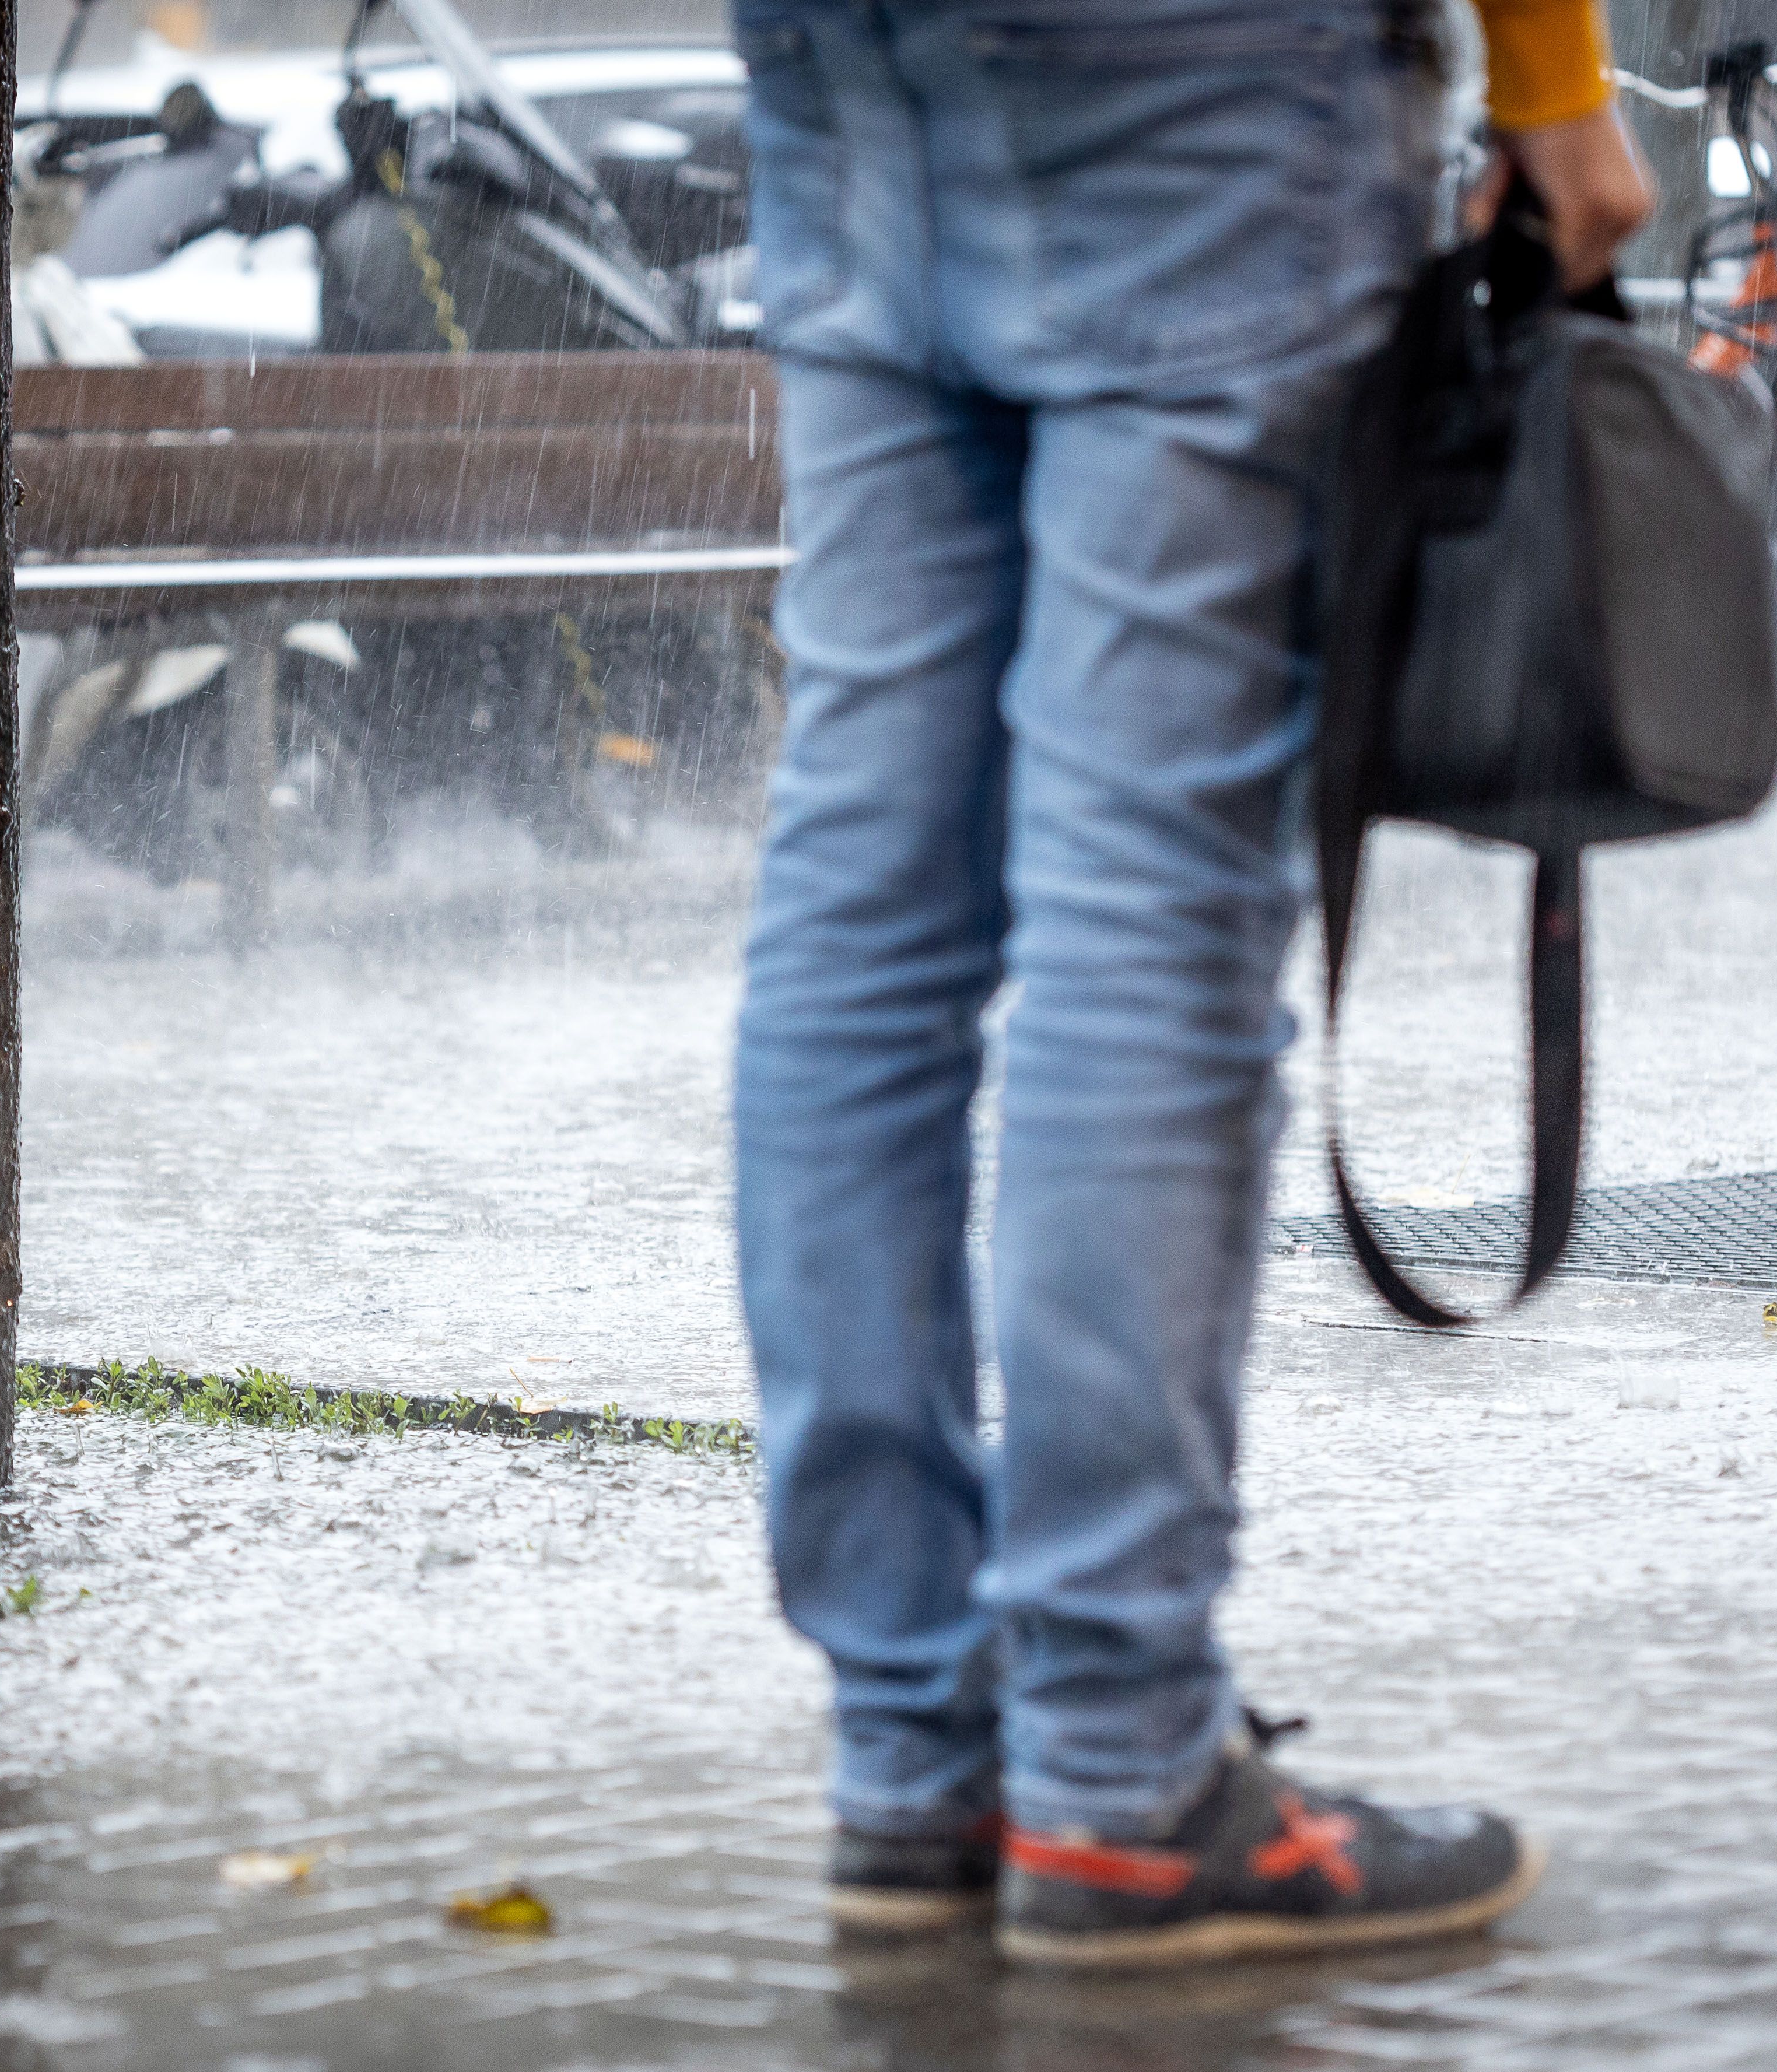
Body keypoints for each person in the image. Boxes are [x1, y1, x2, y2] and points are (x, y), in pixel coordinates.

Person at [732, 0, 1649, 1966]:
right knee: (1143, 905)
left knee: (862, 914)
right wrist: (1554, 86)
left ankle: (913, 1751)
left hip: (847, 63)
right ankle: (1119, 1766)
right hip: (1200, 72)